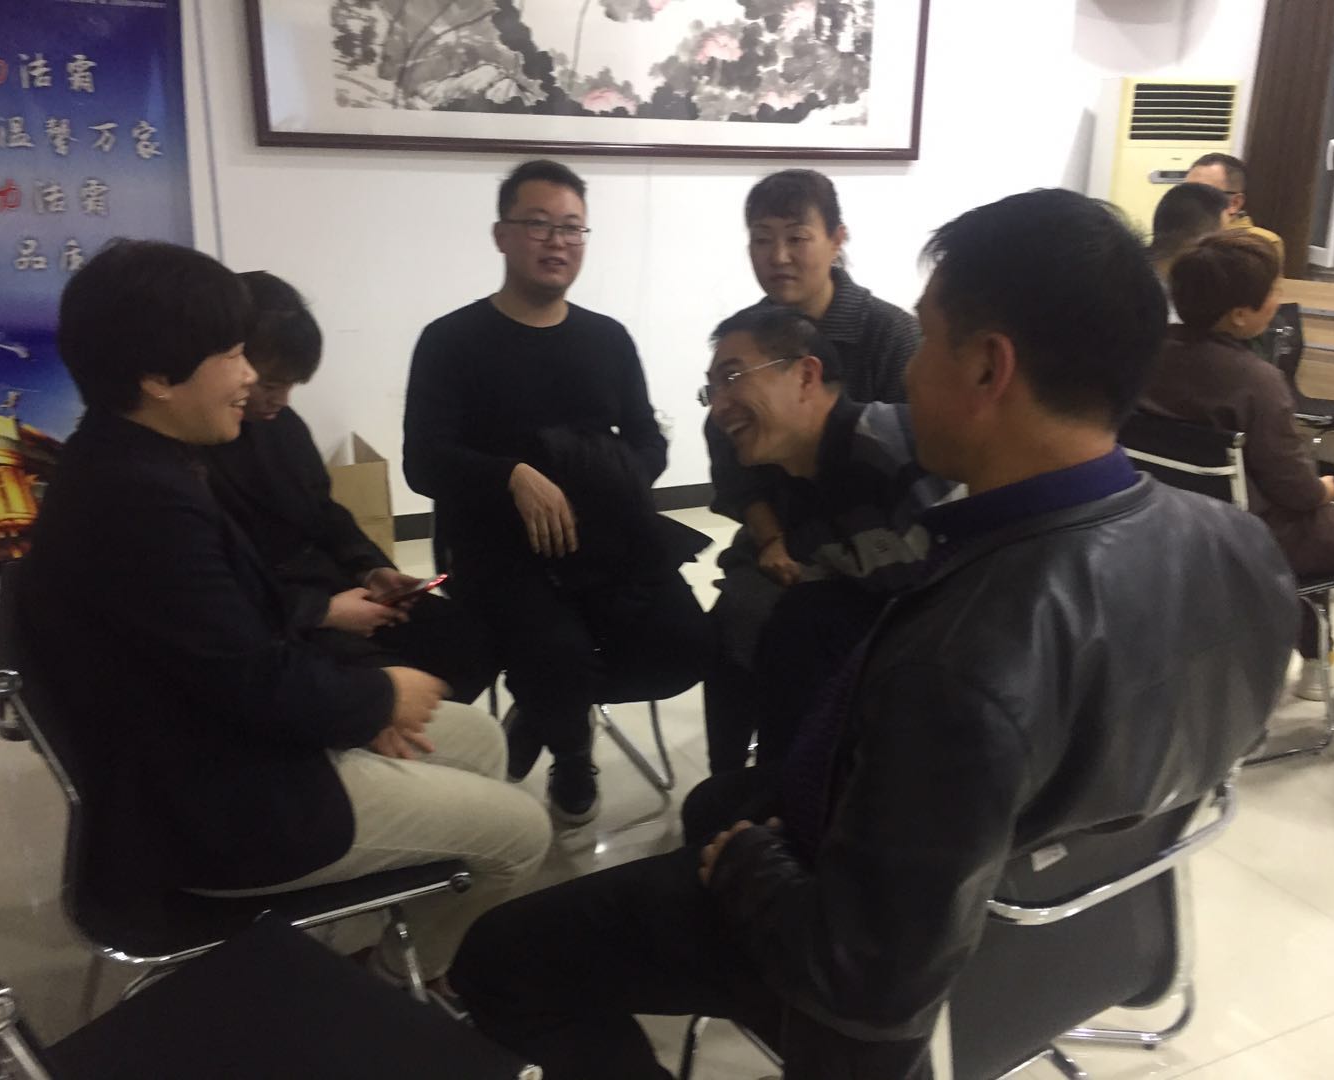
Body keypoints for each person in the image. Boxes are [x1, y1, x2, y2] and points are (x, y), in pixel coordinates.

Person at [446, 189, 1298, 1080]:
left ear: (988, 368)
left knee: (501, 960)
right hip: (1067, 934)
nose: (908, 372)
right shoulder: (1244, 550)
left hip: (874, 979)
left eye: (926, 341)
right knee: (724, 786)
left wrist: (750, 864)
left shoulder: (964, 659)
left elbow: (860, 980)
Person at [22, 240, 551, 984]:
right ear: (156, 378)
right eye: (231, 355)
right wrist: (378, 698)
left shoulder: (131, 462)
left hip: (222, 747)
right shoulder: (141, 504)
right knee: (524, 835)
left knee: (480, 740)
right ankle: (389, 987)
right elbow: (253, 680)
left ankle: (392, 930)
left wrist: (361, 689)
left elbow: (238, 632)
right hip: (222, 809)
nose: (249, 377)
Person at [403, 160, 712, 825]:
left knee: (685, 644)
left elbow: (648, 442)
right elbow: (423, 463)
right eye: (538, 224)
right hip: (495, 546)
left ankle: (543, 712)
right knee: (556, 652)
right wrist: (511, 476)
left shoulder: (607, 339)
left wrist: (605, 483)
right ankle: (571, 749)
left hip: (604, 537)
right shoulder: (451, 341)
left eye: (572, 228)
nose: (557, 242)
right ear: (501, 235)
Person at [704, 168, 922, 772]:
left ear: (836, 239)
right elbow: (730, 458)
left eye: (796, 237)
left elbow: (916, 456)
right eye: (761, 239)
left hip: (881, 539)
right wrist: (770, 539)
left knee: (808, 637)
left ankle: (802, 772)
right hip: (779, 530)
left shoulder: (891, 334)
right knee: (729, 625)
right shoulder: (745, 336)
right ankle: (730, 779)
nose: (778, 257)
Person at [205, 270, 497, 705]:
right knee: (388, 684)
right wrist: (324, 612)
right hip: (277, 617)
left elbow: (323, 511)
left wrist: (371, 570)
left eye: (291, 386)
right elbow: (224, 592)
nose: (281, 400)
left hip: (329, 587)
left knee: (470, 640)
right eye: (270, 385)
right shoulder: (191, 457)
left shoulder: (282, 427)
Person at [699, 305, 950, 764]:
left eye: (732, 378)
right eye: (711, 390)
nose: (718, 408)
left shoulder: (897, 454)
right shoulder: (800, 489)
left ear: (806, 376)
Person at [1141, 230, 1334, 722]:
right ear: (1240, 315)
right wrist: (1323, 489)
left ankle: (1317, 662)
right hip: (1251, 535)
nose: (1278, 300)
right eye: (1273, 291)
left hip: (1167, 525)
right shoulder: (1255, 380)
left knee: (1323, 533)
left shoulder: (1147, 355)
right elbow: (1295, 490)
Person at [1186, 151, 1286, 265]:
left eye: (1202, 194)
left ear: (1234, 203)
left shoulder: (1258, 244)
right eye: (1185, 192)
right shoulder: (1181, 233)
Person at [1148, 181, 1232, 282]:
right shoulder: (1199, 284)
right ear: (1200, 243)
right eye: (1222, 242)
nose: (1227, 251)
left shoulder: (1135, 271)